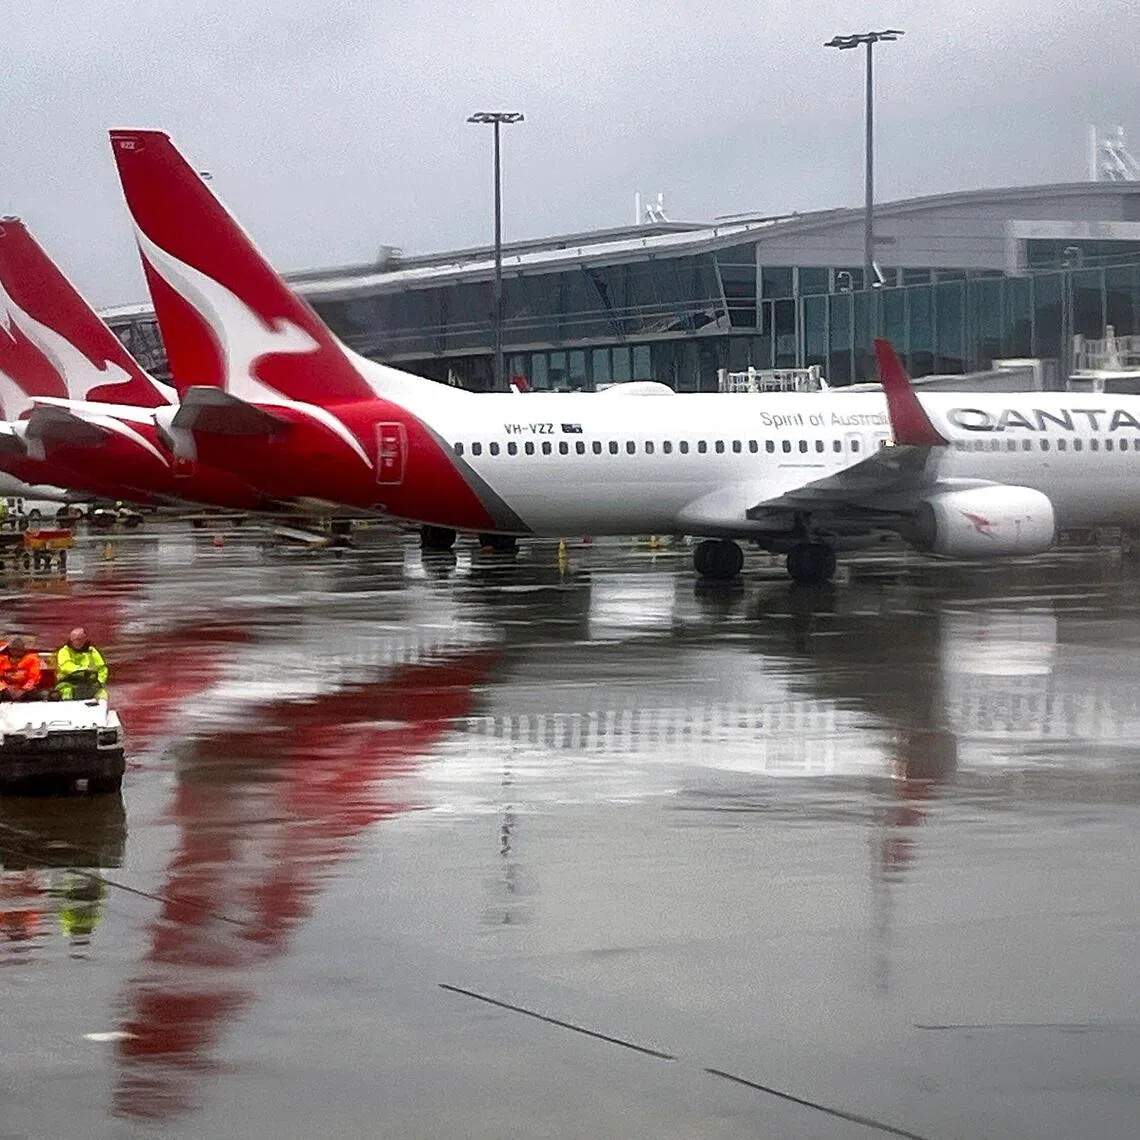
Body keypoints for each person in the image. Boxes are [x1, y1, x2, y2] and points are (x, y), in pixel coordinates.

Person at [55, 627, 109, 701]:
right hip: (68, 683)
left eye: (79, 639)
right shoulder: (64, 651)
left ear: (85, 639)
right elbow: (65, 666)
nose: (76, 642)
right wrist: (82, 670)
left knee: (102, 696)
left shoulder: (92, 651)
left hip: (90, 683)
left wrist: (100, 682)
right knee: (67, 694)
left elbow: (102, 668)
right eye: (74, 640)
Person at [0, 636, 42, 701]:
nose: (16, 652)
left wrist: (24, 689)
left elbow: (33, 678)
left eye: (19, 650)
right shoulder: (2, 660)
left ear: (24, 650)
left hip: (25, 691)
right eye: (13, 649)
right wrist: (5, 688)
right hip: (6, 691)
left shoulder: (32, 659)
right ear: (9, 650)